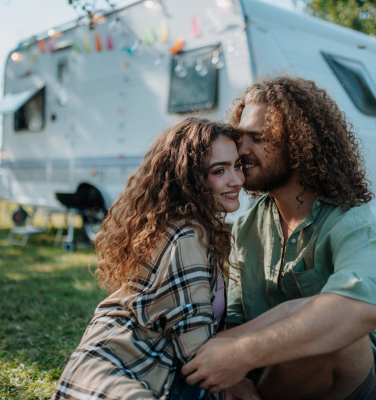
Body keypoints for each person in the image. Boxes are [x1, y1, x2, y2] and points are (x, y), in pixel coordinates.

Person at [182, 76, 376, 400]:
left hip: (342, 386)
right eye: (242, 137)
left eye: (258, 138)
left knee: (334, 334)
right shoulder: (246, 226)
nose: (242, 150)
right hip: (267, 379)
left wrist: (241, 355)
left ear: (299, 142)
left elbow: (364, 308)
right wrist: (233, 374)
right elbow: (237, 319)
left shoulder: (348, 218)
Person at [52, 117, 244, 400]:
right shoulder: (188, 237)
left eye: (237, 165)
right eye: (220, 170)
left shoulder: (182, 225)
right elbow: (199, 354)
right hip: (124, 376)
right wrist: (237, 383)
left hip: (110, 367)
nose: (237, 179)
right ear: (190, 178)